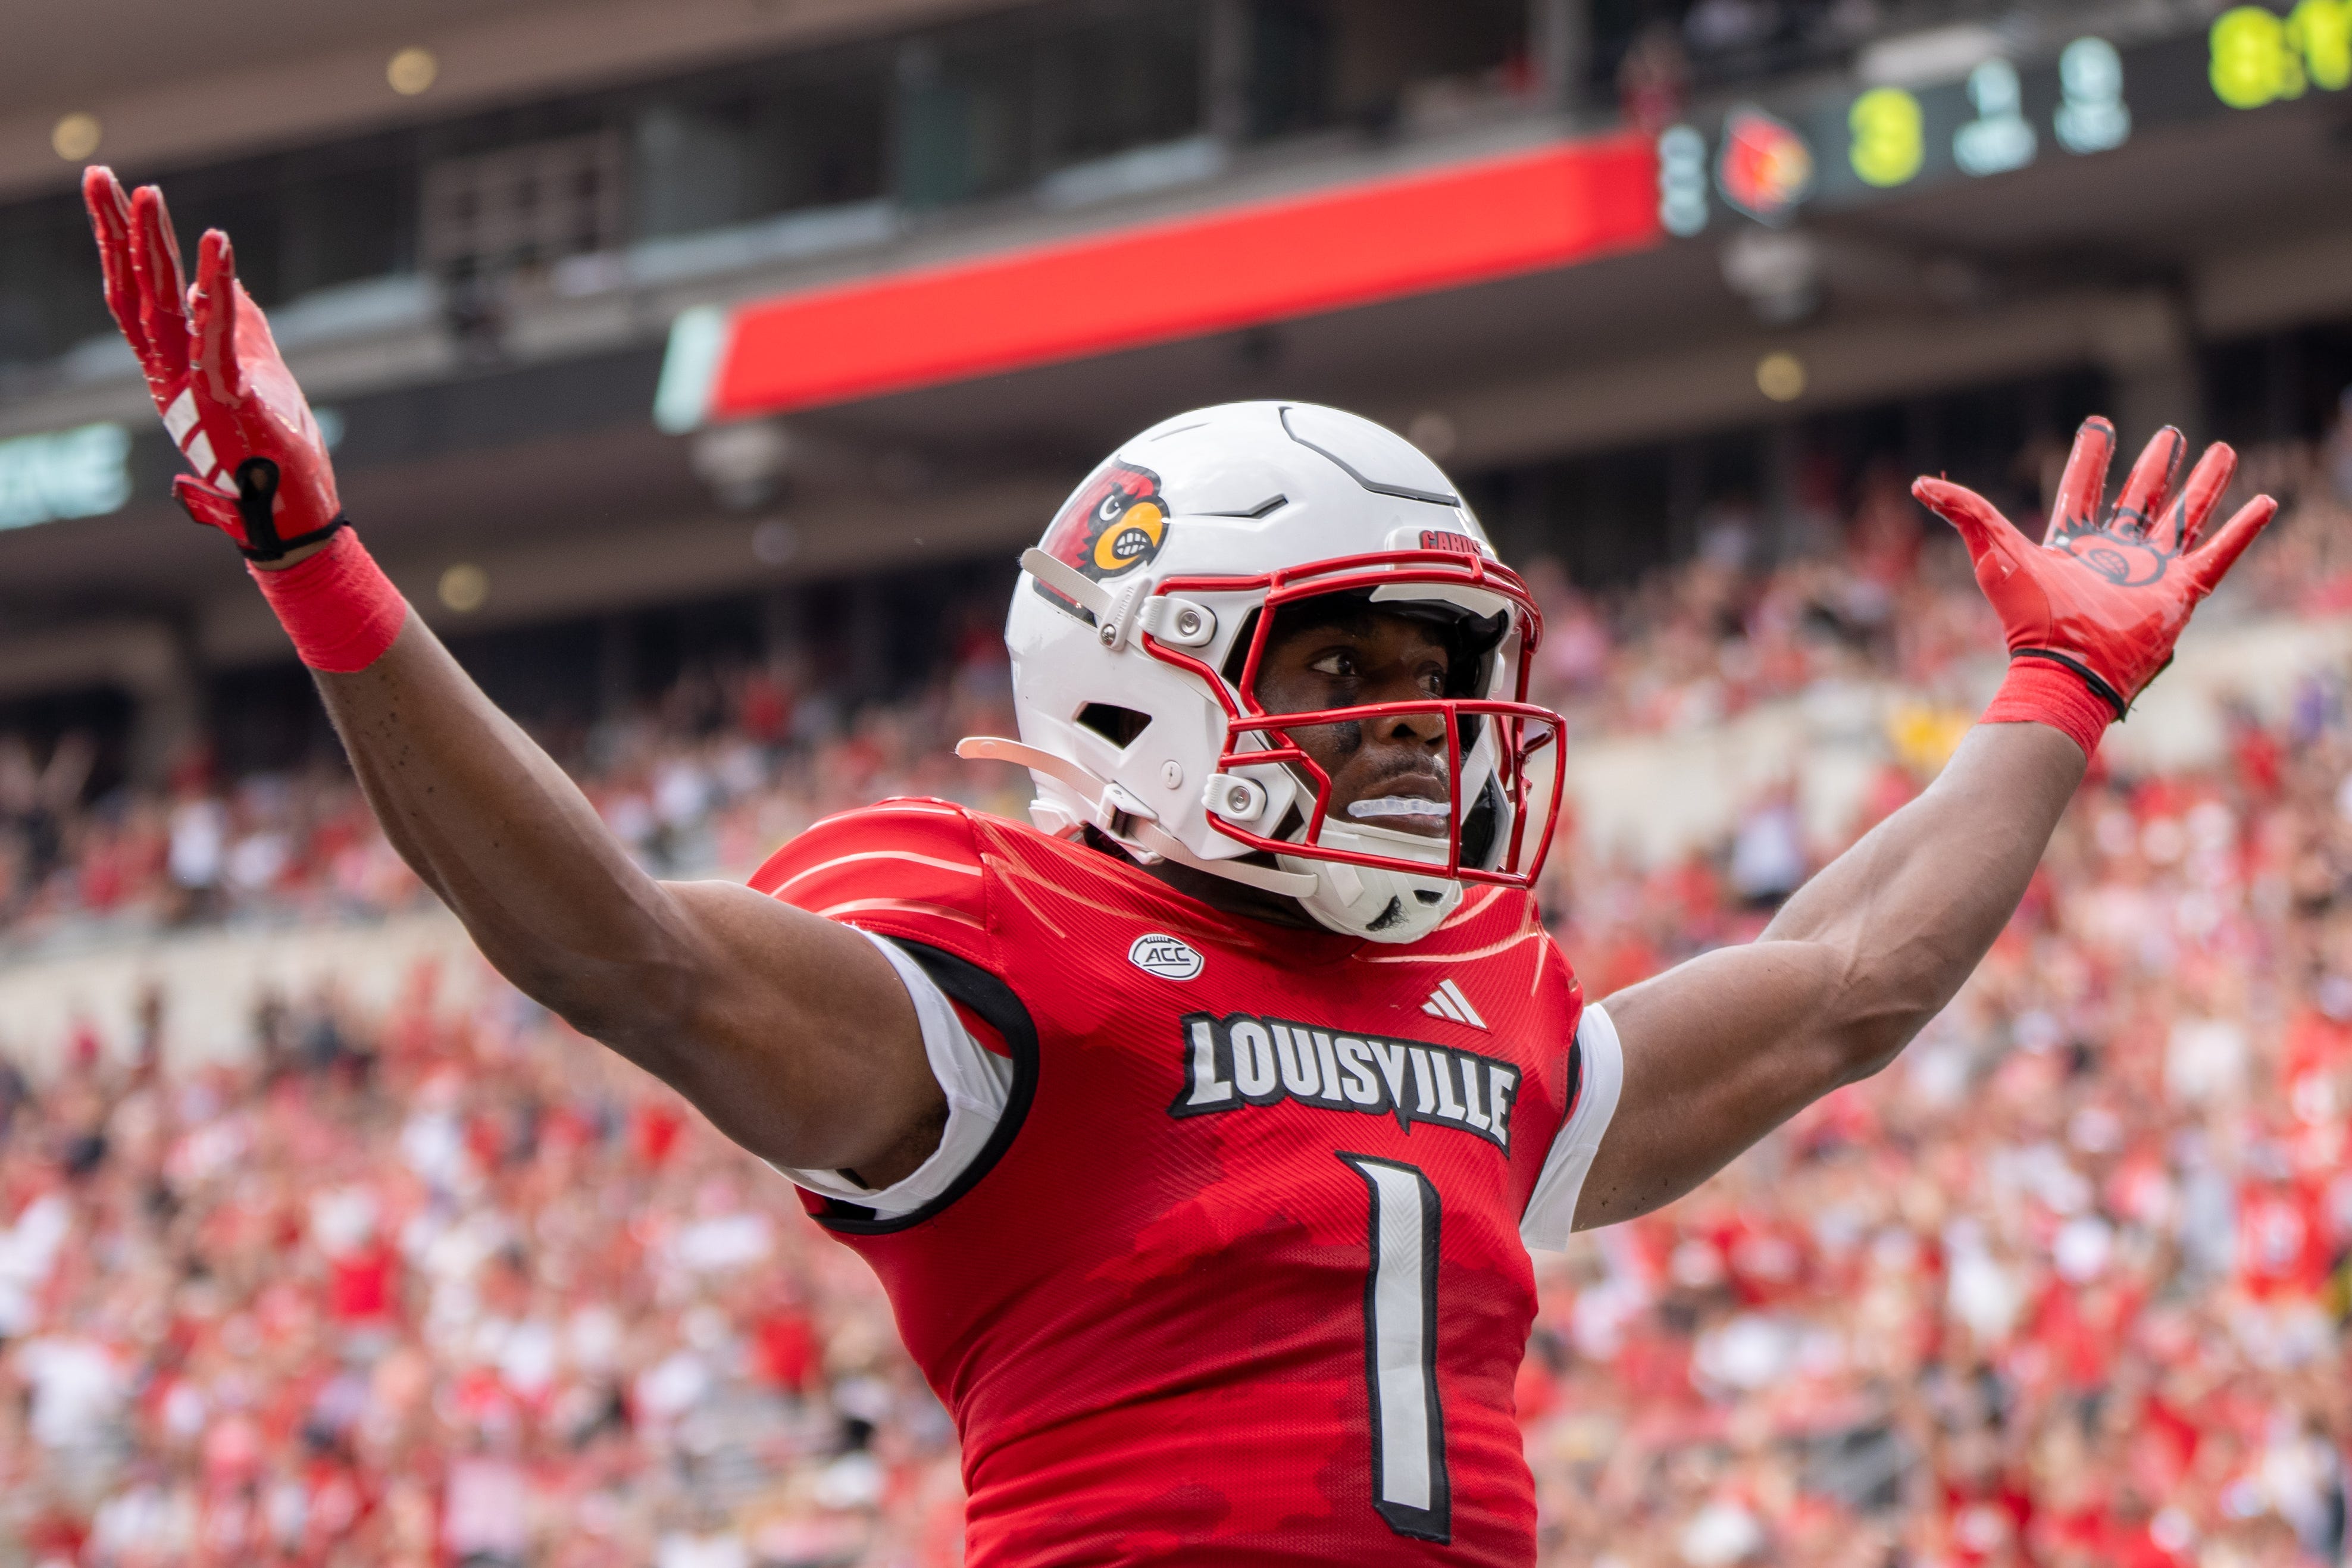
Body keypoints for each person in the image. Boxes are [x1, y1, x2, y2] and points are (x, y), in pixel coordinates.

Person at [82, 166, 2276, 1565]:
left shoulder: (1491, 1000)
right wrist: (317, 558)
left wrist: (2053, 702)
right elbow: (624, 950)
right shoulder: (1004, 965)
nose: (1415, 722)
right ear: (1138, 679)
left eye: (1441, 666)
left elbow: (1842, 983)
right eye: (1347, 659)